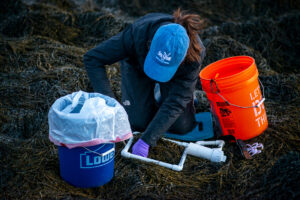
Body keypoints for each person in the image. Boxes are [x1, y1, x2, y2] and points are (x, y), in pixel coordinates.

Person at [84, 8, 206, 157]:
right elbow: (92, 58)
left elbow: (177, 101)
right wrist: (110, 105)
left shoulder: (194, 55)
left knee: (182, 127)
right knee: (138, 123)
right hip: (138, 66)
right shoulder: (138, 34)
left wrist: (147, 140)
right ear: (150, 44)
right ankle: (153, 94)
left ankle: (167, 95)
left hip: (174, 78)